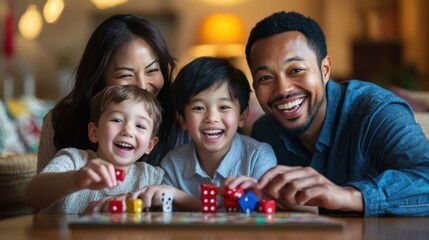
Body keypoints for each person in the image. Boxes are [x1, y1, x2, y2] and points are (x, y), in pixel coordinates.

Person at [239, 11, 429, 217]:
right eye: (266, 77)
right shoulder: (264, 132)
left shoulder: (376, 111)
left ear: (325, 69)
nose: (283, 89)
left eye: (295, 70)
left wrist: (348, 195)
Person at [37, 14, 187, 173]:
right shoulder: (60, 121)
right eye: (125, 75)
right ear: (98, 79)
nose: (142, 86)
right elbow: (40, 194)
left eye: (152, 71)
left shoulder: (180, 122)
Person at [159, 57, 277, 209]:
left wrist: (182, 199)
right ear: (183, 120)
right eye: (199, 108)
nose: (212, 118)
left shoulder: (259, 156)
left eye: (223, 107)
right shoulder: (172, 164)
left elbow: (261, 211)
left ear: (242, 116)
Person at [26, 85, 165, 213]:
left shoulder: (150, 177)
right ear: (94, 132)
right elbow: (32, 196)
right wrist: (76, 179)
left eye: (140, 126)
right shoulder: (73, 160)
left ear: (149, 145)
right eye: (116, 120)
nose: (127, 131)